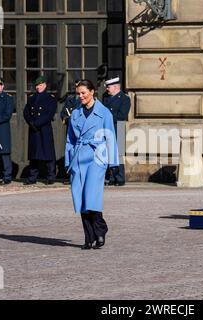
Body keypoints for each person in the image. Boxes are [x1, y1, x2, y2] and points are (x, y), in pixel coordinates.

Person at [65, 79, 119, 249]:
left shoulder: (104, 113)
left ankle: (100, 229)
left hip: (97, 157)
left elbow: (110, 137)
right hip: (79, 158)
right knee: (80, 199)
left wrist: (113, 163)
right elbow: (70, 140)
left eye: (83, 93)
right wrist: (69, 161)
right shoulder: (75, 114)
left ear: (92, 92)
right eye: (78, 93)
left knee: (91, 196)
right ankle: (89, 237)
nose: (80, 96)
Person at [23, 76, 57, 185]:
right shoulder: (31, 98)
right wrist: (30, 122)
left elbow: (49, 114)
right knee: (34, 154)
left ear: (45, 85)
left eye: (41, 85)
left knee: (48, 153)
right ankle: (32, 177)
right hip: (33, 130)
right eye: (37, 85)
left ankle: (51, 176)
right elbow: (26, 112)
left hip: (44, 128)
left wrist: (37, 123)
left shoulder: (50, 98)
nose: (38, 87)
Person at [102, 76, 130, 186]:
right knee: (108, 154)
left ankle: (120, 178)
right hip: (107, 128)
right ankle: (111, 177)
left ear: (115, 87)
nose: (107, 89)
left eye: (108, 87)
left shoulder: (125, 99)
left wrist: (108, 116)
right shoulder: (106, 97)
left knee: (119, 154)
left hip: (119, 127)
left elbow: (122, 115)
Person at [60, 80, 82, 184]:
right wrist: (67, 118)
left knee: (80, 153)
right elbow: (63, 113)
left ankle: (118, 177)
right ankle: (72, 175)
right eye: (76, 87)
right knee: (71, 152)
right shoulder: (70, 99)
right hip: (71, 130)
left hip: (80, 130)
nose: (77, 89)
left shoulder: (84, 100)